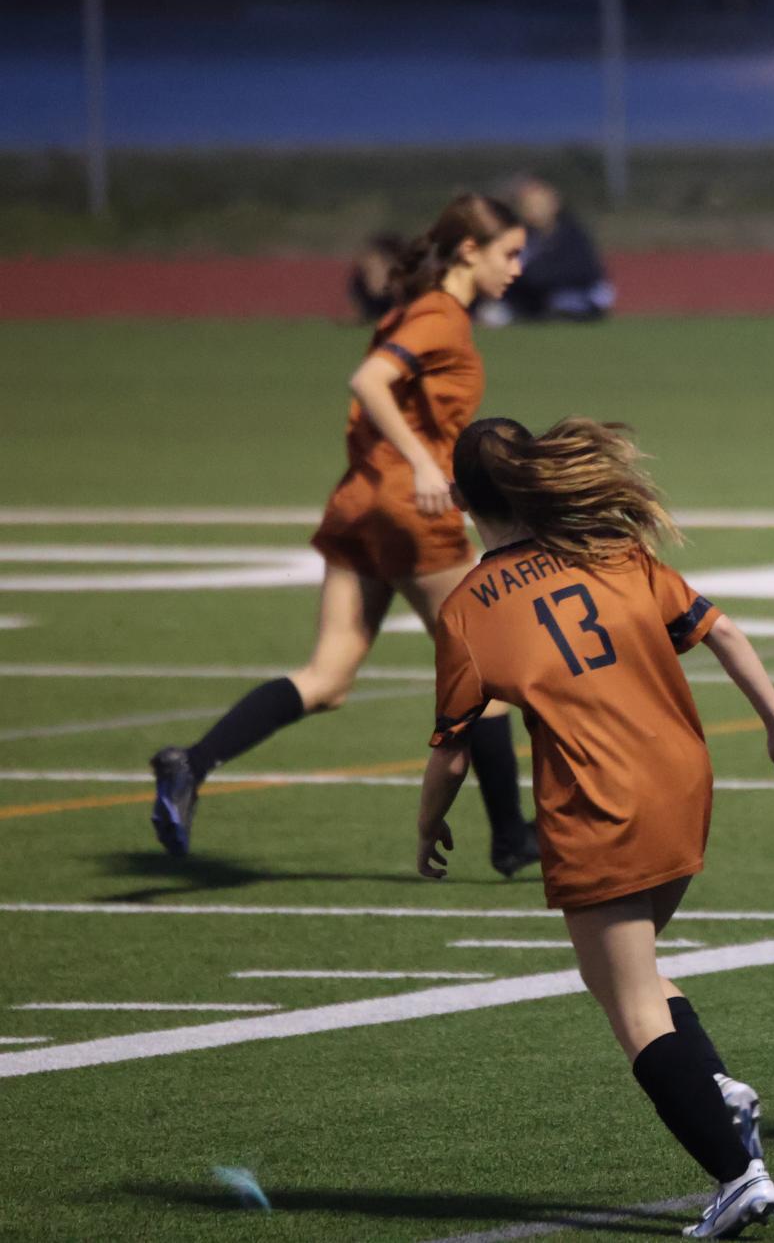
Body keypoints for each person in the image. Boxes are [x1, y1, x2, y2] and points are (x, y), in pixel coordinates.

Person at [418, 415, 774, 1238]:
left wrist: (429, 824)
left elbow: (454, 748)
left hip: (598, 801)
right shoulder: (614, 553)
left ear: (459, 498)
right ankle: (715, 1091)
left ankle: (735, 1170)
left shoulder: (464, 610)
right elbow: (722, 629)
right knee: (625, 974)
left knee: (628, 1001)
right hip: (682, 782)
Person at [149, 195, 539, 875]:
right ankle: (511, 839)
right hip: (408, 508)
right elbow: (369, 380)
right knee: (489, 676)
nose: (518, 266)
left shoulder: (413, 311)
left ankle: (192, 763)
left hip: (360, 502)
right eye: (509, 251)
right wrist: (423, 464)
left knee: (327, 679)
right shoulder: (440, 316)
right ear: (469, 251)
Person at [479, 177, 614, 326]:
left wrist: (536, 277)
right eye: (528, 205)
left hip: (574, 293)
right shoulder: (520, 238)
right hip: (535, 297)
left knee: (564, 302)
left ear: (554, 204)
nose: (535, 210)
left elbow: (581, 271)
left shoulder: (572, 235)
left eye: (539, 204)